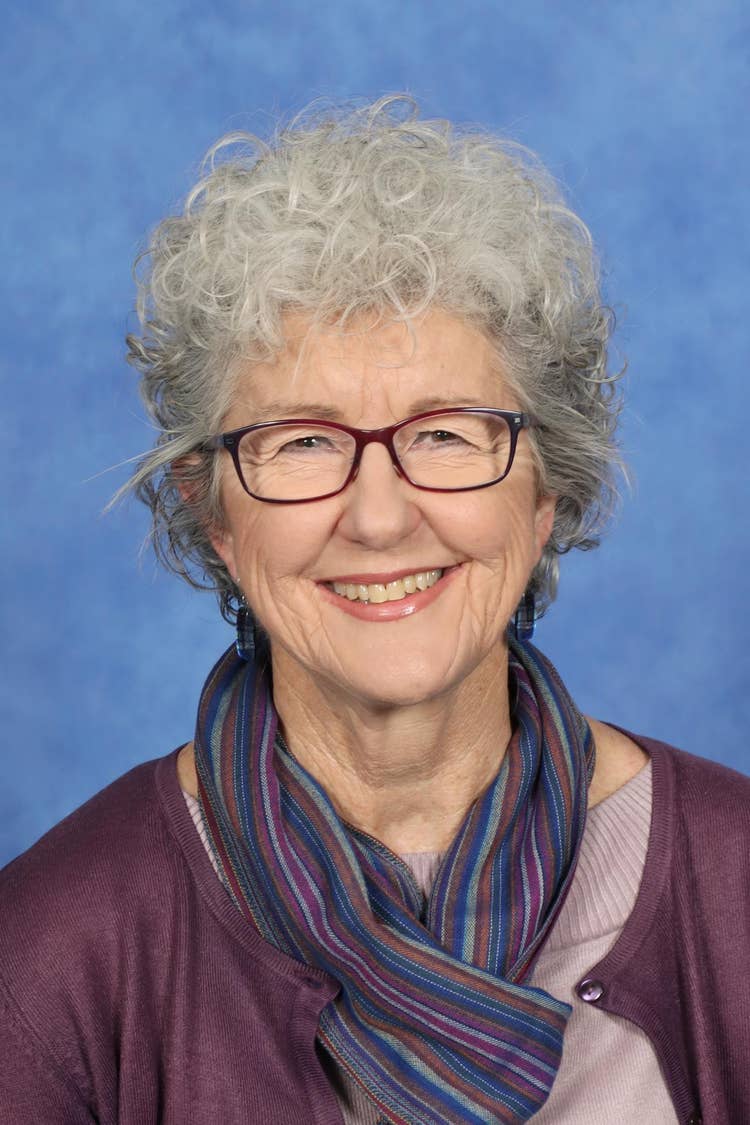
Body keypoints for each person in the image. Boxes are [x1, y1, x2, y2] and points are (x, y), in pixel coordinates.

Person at [1, 97, 748, 1125]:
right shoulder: (46, 958)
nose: (381, 518)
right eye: (303, 442)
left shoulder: (738, 890)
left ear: (546, 494)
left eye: (446, 432)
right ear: (214, 516)